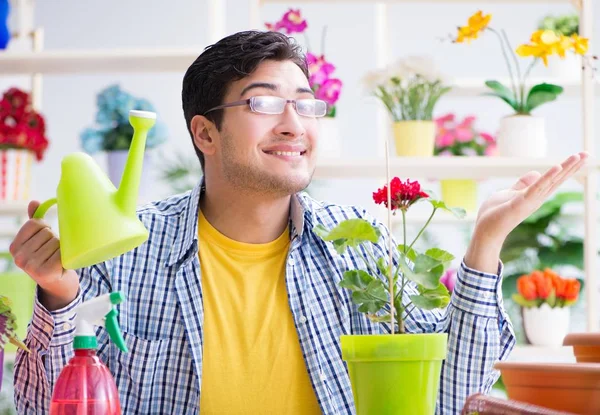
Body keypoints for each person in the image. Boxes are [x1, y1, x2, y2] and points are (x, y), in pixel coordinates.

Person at [11, 30, 587, 415]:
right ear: (204, 133)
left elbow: (453, 398)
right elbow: (42, 408)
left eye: (307, 104)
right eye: (263, 103)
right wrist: (60, 299)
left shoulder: (357, 247)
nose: (294, 123)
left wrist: (484, 247)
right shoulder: (126, 247)